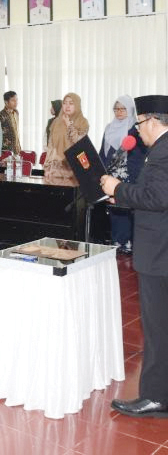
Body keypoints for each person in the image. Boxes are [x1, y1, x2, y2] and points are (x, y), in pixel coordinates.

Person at [100, 95, 168, 418]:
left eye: (139, 124)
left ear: (153, 121)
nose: (137, 130)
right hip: (160, 250)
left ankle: (154, 397)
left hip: (159, 255)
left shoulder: (164, 152)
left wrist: (117, 188)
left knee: (156, 329)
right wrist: (123, 198)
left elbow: (156, 197)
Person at [100, 95, 141, 253]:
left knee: (126, 209)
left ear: (130, 109)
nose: (119, 112)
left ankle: (128, 242)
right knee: (114, 208)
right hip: (112, 174)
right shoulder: (110, 127)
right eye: (116, 109)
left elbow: (138, 153)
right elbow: (104, 152)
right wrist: (102, 171)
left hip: (128, 174)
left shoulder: (135, 128)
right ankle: (117, 240)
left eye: (122, 108)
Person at [43, 92, 89, 186]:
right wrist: (47, 168)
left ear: (77, 105)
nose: (67, 106)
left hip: (74, 171)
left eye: (71, 103)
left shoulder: (82, 122)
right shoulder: (56, 122)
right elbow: (51, 147)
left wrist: (69, 125)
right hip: (55, 171)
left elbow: (78, 143)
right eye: (65, 103)